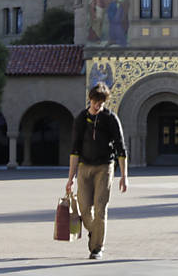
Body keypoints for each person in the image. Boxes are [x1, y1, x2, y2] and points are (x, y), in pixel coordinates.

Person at [66, 83, 129, 260]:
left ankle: (96, 248)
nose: (97, 106)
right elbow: (74, 149)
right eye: (95, 102)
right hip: (84, 168)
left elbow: (121, 148)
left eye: (101, 103)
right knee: (85, 210)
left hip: (104, 167)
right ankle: (95, 233)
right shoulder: (81, 119)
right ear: (90, 99)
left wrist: (124, 176)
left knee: (100, 209)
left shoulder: (110, 119)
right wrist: (70, 178)